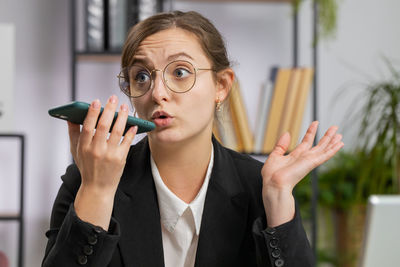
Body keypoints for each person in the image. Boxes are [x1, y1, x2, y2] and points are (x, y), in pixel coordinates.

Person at [42, 11, 343, 267]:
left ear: (221, 86)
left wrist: (277, 200)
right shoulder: (86, 181)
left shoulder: (261, 186)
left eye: (181, 72)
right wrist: (98, 190)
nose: (157, 92)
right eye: (141, 77)